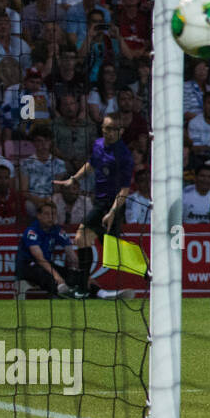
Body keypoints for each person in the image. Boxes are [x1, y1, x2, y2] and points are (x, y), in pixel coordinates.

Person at [53, 114, 132, 293]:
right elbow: (91, 164)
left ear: (122, 131)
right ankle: (83, 287)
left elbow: (125, 190)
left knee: (113, 253)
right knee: (82, 239)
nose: (109, 132)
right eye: (106, 128)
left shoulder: (124, 156)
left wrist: (112, 212)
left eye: (114, 129)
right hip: (100, 202)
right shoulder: (98, 144)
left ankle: (146, 270)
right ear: (102, 128)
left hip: (114, 205)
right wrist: (73, 179)